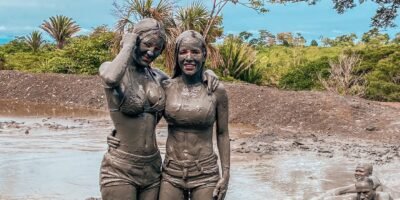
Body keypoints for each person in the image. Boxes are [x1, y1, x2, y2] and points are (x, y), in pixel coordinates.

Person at [99, 19, 218, 200]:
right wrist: (128, 43)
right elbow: (111, 79)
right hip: (120, 166)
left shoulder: (159, 77)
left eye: (157, 48)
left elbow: (184, 83)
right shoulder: (110, 68)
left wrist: (207, 73)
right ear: (135, 40)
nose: (151, 52)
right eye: (147, 44)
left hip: (153, 169)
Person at [158, 30, 230, 200]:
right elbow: (146, 121)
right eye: (183, 52)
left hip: (205, 173)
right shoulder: (166, 87)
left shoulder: (216, 90)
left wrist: (226, 174)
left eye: (195, 52)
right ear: (176, 56)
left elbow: (223, 133)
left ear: (204, 55)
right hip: (171, 172)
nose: (188, 57)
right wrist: (120, 134)